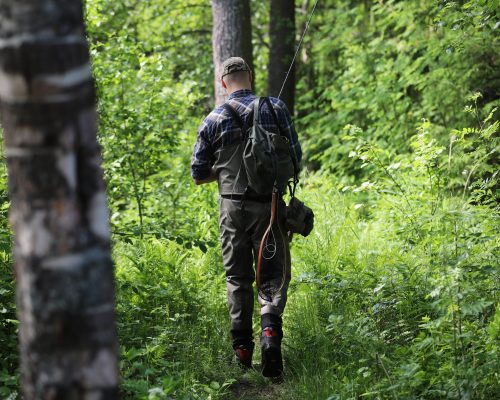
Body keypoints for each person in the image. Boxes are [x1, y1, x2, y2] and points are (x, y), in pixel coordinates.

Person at [191, 57, 302, 378]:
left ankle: (242, 350)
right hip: (269, 207)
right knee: (273, 274)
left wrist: (225, 171)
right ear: (249, 77)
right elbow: (296, 159)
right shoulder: (276, 108)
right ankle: (270, 338)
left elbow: (198, 174)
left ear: (223, 83)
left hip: (231, 209)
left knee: (237, 277)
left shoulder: (212, 119)